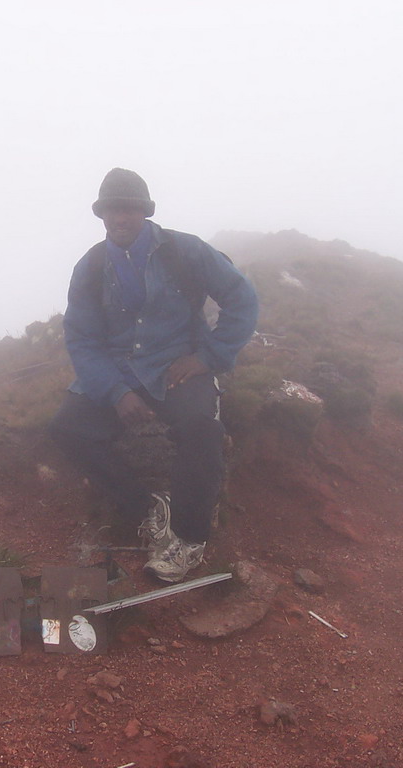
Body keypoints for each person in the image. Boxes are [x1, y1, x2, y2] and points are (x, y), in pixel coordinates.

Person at [49, 168, 259, 583]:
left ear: (145, 212)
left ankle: (189, 537)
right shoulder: (90, 267)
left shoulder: (185, 251)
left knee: (201, 428)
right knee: (67, 429)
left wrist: (209, 357)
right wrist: (115, 392)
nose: (120, 218)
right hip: (117, 371)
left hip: (177, 366)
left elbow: (242, 297)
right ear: (102, 214)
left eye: (129, 209)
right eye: (112, 210)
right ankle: (146, 507)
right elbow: (82, 339)